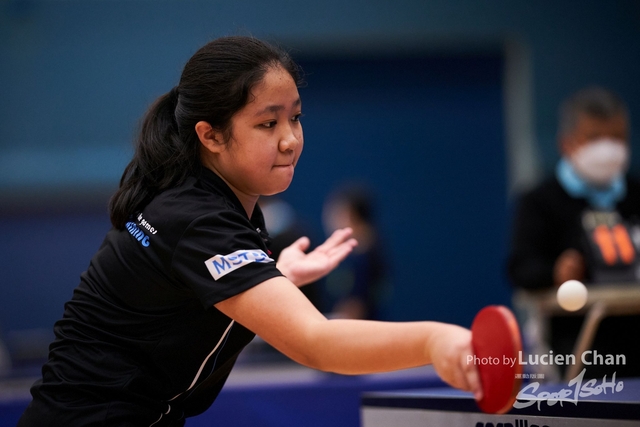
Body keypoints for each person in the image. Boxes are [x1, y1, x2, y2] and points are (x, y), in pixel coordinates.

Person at [18, 36, 480, 426]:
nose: (290, 139)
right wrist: (435, 341)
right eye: (267, 122)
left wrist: (276, 275)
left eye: (295, 117)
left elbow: (194, 295)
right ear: (211, 135)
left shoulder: (213, 205)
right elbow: (315, 343)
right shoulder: (195, 217)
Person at [507, 86, 640, 378]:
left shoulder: (635, 194)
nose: (608, 148)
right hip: (573, 346)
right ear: (566, 143)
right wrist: (556, 271)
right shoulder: (540, 200)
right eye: (594, 138)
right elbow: (520, 268)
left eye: (617, 137)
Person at [322, 184, 391, 320]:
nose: (329, 219)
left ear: (351, 215)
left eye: (336, 213)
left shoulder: (363, 258)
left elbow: (354, 308)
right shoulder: (364, 253)